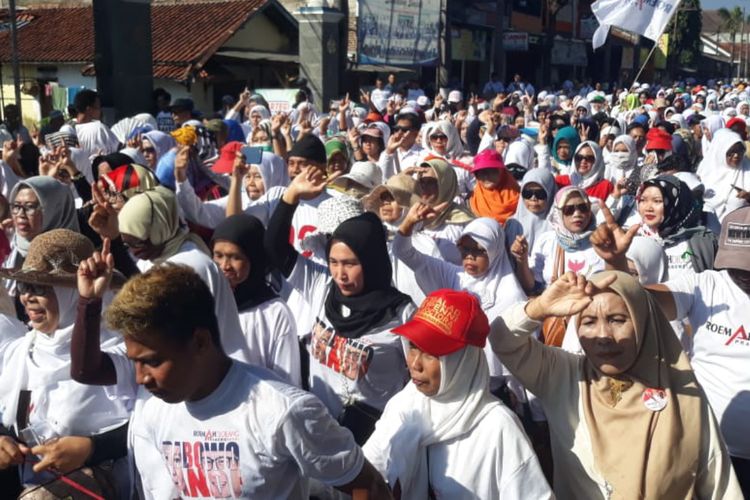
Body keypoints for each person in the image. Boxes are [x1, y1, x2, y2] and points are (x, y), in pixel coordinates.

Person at [73, 260, 392, 498]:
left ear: (199, 342)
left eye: (153, 362)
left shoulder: (283, 411)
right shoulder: (156, 410)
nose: (141, 378)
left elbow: (367, 485)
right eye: (135, 364)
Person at [489, 270, 741, 499]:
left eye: (617, 319)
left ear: (643, 322)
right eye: (588, 322)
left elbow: (719, 484)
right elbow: (502, 340)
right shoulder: (562, 376)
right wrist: (539, 308)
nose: (603, 336)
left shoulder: (681, 393)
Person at [592, 205, 750, 496]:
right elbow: (643, 303)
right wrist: (616, 265)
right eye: (738, 266)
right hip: (705, 447)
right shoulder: (706, 285)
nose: (744, 275)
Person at [264, 166, 415, 444]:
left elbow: (418, 377)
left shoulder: (401, 312)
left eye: (350, 264)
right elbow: (274, 247)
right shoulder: (323, 287)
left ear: (371, 261)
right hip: (323, 433)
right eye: (334, 262)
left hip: (377, 440)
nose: (340, 274)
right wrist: (292, 196)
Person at [363, 289, 552, 499]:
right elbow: (367, 473)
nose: (415, 363)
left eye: (431, 353)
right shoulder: (404, 407)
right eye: (413, 347)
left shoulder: (498, 428)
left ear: (462, 361)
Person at [0, 230, 132, 496]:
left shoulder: (120, 352)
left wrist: (91, 448)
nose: (27, 297)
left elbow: (149, 426)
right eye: (25, 287)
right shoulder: (20, 352)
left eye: (40, 288)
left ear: (71, 293)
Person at [393, 212, 526, 393]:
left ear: (494, 250)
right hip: (452, 378)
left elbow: (516, 362)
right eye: (464, 249)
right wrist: (408, 222)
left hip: (489, 388)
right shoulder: (455, 275)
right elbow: (403, 252)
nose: (469, 257)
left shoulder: (511, 295)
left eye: (479, 250)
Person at [210, 214, 301, 386]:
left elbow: (287, 382)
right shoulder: (207, 302)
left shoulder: (274, 313)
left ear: (255, 258)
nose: (224, 266)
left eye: (235, 257)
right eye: (218, 255)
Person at [512, 186, 604, 295]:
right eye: (569, 210)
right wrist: (522, 260)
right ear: (558, 213)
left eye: (583, 208)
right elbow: (531, 286)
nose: (577, 214)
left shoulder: (602, 241)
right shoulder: (547, 241)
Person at [698, 129, 750, 222]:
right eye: (731, 152)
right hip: (710, 232)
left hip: (739, 232)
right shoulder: (705, 171)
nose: (736, 156)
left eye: (740, 151)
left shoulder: (747, 170)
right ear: (721, 151)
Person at [505, 168, 556, 254]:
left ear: (550, 193)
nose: (533, 198)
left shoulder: (558, 225)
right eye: (527, 193)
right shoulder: (512, 224)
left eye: (540, 194)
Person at [468, 149, 520, 224]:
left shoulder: (524, 199)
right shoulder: (471, 201)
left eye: (492, 171)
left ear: (502, 172)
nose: (486, 176)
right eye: (480, 172)